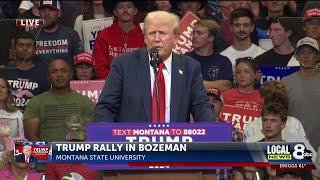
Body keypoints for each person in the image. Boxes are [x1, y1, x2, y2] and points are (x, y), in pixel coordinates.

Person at [95, 11, 215, 123]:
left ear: (175, 39)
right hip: (133, 144)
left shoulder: (190, 68)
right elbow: (105, 108)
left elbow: (202, 108)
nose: (157, 39)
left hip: (175, 144)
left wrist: (213, 132)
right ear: (145, 38)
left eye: (162, 33)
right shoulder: (123, 64)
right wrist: (110, 139)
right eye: (152, 33)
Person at [24, 59, 95, 141]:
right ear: (48, 77)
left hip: (77, 152)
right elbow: (31, 137)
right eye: (54, 71)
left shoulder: (85, 102)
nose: (59, 74)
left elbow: (91, 136)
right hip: (47, 152)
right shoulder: (36, 102)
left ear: (71, 74)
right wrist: (50, 152)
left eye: (64, 71)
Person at [281, 37, 320, 149]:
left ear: (318, 56)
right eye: (302, 52)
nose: (306, 56)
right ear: (297, 57)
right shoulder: (284, 83)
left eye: (310, 52)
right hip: (293, 146)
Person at [93, 0, 145, 79]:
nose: (125, 10)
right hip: (111, 86)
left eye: (129, 7)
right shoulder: (104, 36)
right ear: (115, 12)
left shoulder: (145, 36)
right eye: (121, 7)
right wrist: (115, 83)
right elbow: (100, 68)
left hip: (139, 85)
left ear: (135, 11)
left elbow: (148, 67)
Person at [0, 32, 49, 111]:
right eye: (21, 45)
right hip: (6, 119)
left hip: (32, 119)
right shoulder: (3, 73)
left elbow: (45, 105)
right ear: (14, 49)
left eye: (29, 46)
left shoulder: (43, 75)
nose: (25, 48)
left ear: (35, 50)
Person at [31, 0, 82, 69]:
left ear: (59, 13)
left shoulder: (71, 34)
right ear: (39, 13)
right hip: (39, 79)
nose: (46, 14)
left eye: (51, 10)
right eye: (43, 10)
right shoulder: (31, 36)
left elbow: (79, 63)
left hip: (67, 79)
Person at [186, 19, 233, 92]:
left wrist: (196, 83)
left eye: (199, 33)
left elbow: (226, 86)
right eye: (194, 33)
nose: (194, 36)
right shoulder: (184, 60)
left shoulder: (223, 61)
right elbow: (182, 84)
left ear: (211, 38)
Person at [220, 57, 264, 133]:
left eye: (246, 71)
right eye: (238, 72)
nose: (242, 75)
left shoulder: (263, 98)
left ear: (256, 74)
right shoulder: (225, 95)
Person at [220, 8, 265, 74]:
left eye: (246, 25)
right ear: (231, 28)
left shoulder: (262, 55)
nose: (241, 29)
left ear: (252, 27)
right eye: (237, 25)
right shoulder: (222, 57)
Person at [0, 75, 24, 154]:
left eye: (2, 87)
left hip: (11, 160)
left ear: (8, 90)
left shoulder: (17, 114)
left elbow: (21, 143)